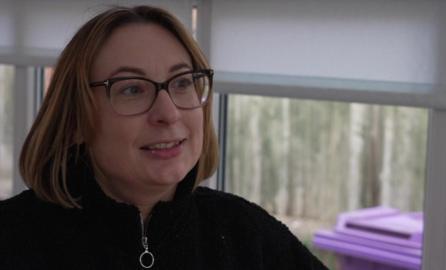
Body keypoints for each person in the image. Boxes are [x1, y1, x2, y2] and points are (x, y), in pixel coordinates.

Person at [0, 5, 329, 270]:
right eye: (131, 89)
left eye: (183, 82)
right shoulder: (12, 240)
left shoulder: (248, 235)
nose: (168, 113)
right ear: (76, 119)